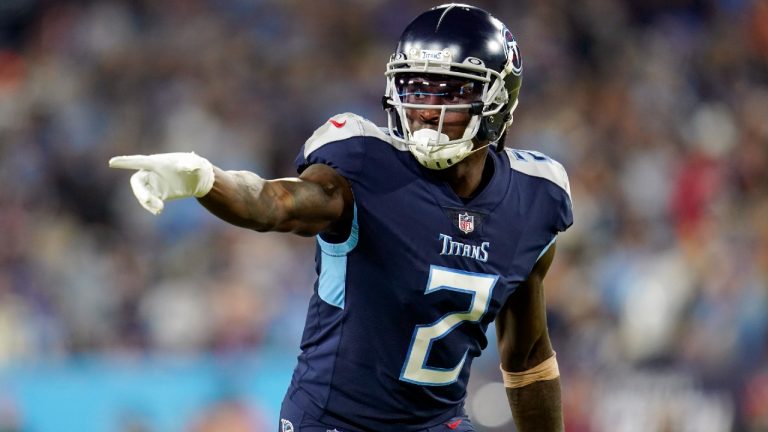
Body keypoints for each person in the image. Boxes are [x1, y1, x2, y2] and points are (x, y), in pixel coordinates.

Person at [109, 4, 572, 432]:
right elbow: (274, 204)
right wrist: (206, 179)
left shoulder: (534, 198)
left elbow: (528, 355)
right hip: (336, 420)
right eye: (414, 89)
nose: (428, 109)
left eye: (451, 91)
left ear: (500, 99)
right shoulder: (364, 166)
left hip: (436, 423)